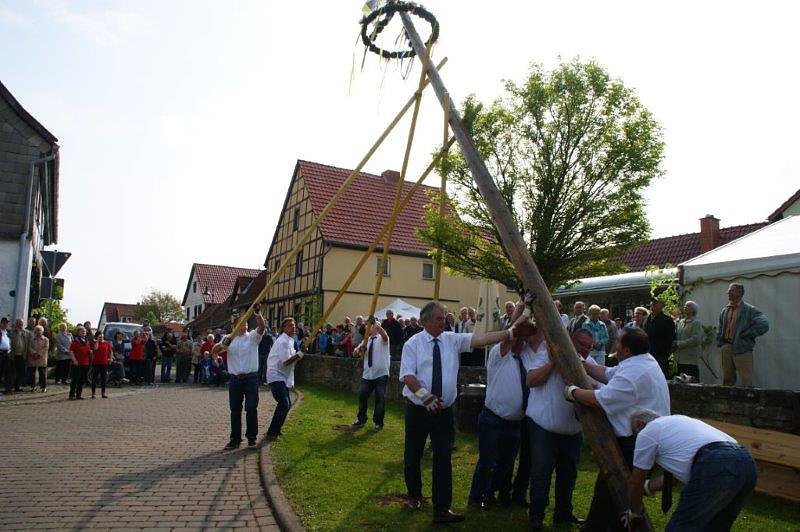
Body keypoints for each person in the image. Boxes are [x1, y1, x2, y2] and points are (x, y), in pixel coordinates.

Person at [400, 300, 537, 524]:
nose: (444, 321)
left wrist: (511, 331)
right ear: (425, 321)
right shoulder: (413, 344)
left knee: (443, 458)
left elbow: (481, 339)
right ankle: (414, 495)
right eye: (439, 318)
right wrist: (425, 397)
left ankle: (442, 508)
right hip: (418, 410)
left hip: (443, 412)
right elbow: (408, 376)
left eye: (444, 317)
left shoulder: (452, 340)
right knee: (412, 455)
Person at [565, 327, 670, 532]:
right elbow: (607, 373)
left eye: (618, 342)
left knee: (611, 495)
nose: (615, 345)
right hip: (640, 439)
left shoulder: (635, 374)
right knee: (613, 496)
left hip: (634, 443)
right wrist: (581, 363)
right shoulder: (642, 362)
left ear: (627, 350)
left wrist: (572, 392)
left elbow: (599, 400)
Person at [625, 411, 757, 531]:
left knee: (680, 528)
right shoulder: (678, 423)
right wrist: (649, 487)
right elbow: (674, 477)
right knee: (715, 527)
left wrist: (635, 512)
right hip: (747, 462)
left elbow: (636, 480)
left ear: (640, 424)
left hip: (717, 462)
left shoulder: (648, 431)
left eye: (635, 433)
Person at [524, 328, 599, 529]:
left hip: (573, 431)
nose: (585, 350)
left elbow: (599, 393)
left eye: (589, 347)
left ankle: (563, 512)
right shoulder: (544, 353)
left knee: (569, 473)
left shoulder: (589, 365)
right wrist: (554, 363)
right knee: (541, 471)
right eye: (581, 345)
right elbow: (530, 381)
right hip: (543, 427)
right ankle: (536, 514)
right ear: (570, 341)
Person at [467, 302, 534, 509]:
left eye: (525, 338)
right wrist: (524, 308)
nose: (523, 341)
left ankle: (498, 493)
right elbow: (508, 335)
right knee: (487, 461)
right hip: (493, 418)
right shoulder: (499, 354)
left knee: (506, 463)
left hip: (514, 421)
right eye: (521, 337)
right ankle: (477, 497)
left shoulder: (524, 359)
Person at [214, 309, 265, 450]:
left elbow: (261, 328)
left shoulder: (252, 337)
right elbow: (215, 350)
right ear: (234, 325)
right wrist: (223, 345)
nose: (245, 326)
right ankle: (235, 439)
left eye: (246, 324)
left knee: (251, 408)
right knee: (235, 410)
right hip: (235, 379)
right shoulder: (228, 339)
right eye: (241, 323)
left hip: (251, 378)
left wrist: (258, 315)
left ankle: (252, 438)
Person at [716, 283, 769, 386]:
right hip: (727, 347)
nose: (728, 293)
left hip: (742, 348)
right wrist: (720, 342)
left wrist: (749, 333)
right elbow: (720, 326)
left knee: (746, 379)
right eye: (729, 291)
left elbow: (764, 324)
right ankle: (727, 400)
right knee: (727, 379)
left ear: (739, 293)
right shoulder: (725, 310)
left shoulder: (749, 309)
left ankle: (749, 401)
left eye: (731, 290)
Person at [265, 317, 304, 440]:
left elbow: (293, 361)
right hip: (275, 375)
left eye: (294, 325)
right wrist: (300, 354)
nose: (293, 327)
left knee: (286, 404)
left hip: (282, 376)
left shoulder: (290, 341)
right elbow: (286, 362)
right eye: (290, 326)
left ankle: (276, 430)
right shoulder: (282, 341)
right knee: (284, 403)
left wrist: (300, 353)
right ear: (283, 328)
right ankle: (272, 432)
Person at [351, 322, 390, 430]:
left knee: (379, 398)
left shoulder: (382, 339)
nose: (368, 328)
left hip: (381, 374)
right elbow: (355, 354)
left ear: (376, 328)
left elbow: (385, 335)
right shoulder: (365, 341)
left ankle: (378, 422)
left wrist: (376, 324)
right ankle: (361, 419)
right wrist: (360, 350)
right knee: (362, 396)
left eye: (371, 326)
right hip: (368, 374)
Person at [643, 297, 676, 378]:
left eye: (656, 303)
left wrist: (665, 353)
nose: (653, 305)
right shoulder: (647, 320)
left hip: (661, 356)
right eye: (652, 304)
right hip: (647, 355)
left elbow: (671, 338)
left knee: (660, 378)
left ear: (661, 306)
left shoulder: (667, 320)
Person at [674, 301, 703, 379]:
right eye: (685, 305)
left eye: (688, 306)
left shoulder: (696, 322)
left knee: (691, 382)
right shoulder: (680, 322)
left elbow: (696, 339)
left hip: (690, 360)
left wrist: (679, 344)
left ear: (693, 310)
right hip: (679, 359)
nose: (685, 307)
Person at [6, 318, 30, 393]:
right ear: (16, 324)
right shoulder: (11, 332)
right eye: (19, 323)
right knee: (12, 372)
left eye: (21, 323)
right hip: (13, 355)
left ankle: (17, 386)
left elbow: (28, 343)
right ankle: (9, 387)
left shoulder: (26, 332)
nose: (20, 324)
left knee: (20, 372)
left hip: (22, 355)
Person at [69, 326, 92, 400]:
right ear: (78, 333)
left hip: (85, 363)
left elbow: (89, 351)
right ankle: (72, 395)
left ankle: (79, 395)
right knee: (75, 379)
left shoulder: (86, 342)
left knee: (82, 380)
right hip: (77, 363)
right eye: (82, 331)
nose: (84, 333)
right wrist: (74, 360)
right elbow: (71, 351)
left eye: (84, 331)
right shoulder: (75, 342)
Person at [27, 325, 49, 392]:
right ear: (34, 331)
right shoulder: (31, 339)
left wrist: (39, 354)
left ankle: (43, 387)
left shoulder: (46, 339)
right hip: (32, 358)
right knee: (32, 374)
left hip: (41, 358)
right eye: (36, 330)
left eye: (40, 330)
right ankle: (33, 386)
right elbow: (29, 347)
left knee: (42, 373)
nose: (38, 332)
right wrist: (34, 353)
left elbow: (46, 348)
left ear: (42, 331)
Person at [91, 331, 112, 398]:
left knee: (103, 379)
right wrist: (97, 340)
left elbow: (111, 351)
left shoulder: (106, 343)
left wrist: (110, 358)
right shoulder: (94, 342)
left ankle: (103, 393)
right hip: (96, 363)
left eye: (102, 336)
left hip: (104, 363)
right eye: (100, 336)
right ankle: (93, 393)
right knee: (94, 379)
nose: (101, 337)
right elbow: (95, 349)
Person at [0, 317, 10, 393]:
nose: (6, 324)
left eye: (6, 323)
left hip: (6, 354)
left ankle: (3, 388)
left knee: (4, 371)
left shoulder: (7, 332)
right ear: (1, 323)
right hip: (0, 353)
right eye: (4, 323)